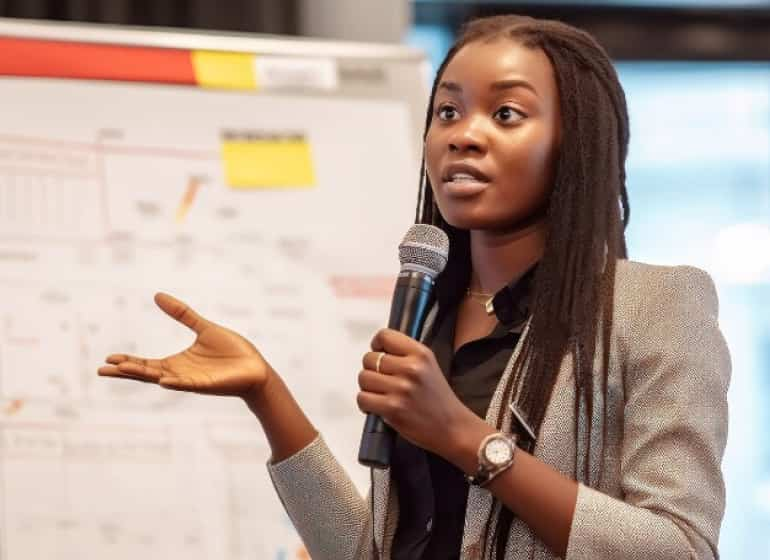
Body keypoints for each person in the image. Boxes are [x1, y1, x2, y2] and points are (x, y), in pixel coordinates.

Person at [98, 14, 731, 560]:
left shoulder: (654, 309)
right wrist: (267, 394)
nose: (463, 133)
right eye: (447, 110)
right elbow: (368, 549)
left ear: (576, 144)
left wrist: (465, 438)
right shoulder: (430, 316)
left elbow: (677, 546)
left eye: (505, 113)